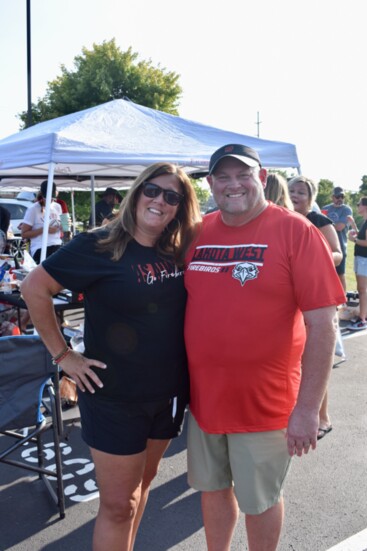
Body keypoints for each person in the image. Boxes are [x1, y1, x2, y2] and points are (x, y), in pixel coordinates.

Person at [20, 162, 201, 551]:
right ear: (137, 192)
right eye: (153, 190)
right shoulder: (99, 244)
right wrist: (64, 356)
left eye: (173, 197)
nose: (160, 201)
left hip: (168, 394)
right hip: (113, 396)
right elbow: (34, 287)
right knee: (118, 505)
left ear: (180, 207)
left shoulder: (179, 250)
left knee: (142, 488)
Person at [184, 144, 345, 551]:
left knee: (260, 501)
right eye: (224, 176)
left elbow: (323, 324)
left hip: (266, 404)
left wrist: (308, 409)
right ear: (211, 183)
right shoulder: (199, 231)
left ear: (261, 178)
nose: (233, 184)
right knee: (213, 489)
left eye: (243, 175)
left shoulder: (296, 230)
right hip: (205, 401)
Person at [288, 175, 343, 440]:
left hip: (316, 300)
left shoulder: (319, 221)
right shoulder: (282, 221)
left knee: (313, 361)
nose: (295, 195)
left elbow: (338, 253)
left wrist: (310, 260)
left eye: (301, 191)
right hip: (289, 302)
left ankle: (323, 417)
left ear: (311, 196)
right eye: (291, 191)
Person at [322, 186, 358, 291]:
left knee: (340, 275)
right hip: (325, 246)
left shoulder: (346, 209)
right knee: (326, 275)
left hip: (340, 247)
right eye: (337, 196)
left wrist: (324, 224)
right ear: (332, 197)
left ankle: (343, 300)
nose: (340, 199)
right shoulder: (325, 208)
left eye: (342, 196)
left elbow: (340, 227)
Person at [21, 180, 62, 264]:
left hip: (57, 245)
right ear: (42, 195)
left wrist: (61, 227)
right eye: (47, 197)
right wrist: (43, 229)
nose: (50, 200)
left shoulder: (57, 206)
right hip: (40, 248)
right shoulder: (33, 209)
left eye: (52, 197)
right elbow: (24, 234)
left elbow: (61, 228)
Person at [347, 196, 367, 331]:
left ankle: (362, 320)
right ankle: (363, 314)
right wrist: (354, 225)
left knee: (362, 290)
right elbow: (362, 236)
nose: (357, 205)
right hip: (360, 258)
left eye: (359, 204)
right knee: (362, 290)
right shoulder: (365, 221)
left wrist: (352, 239)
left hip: (364, 259)